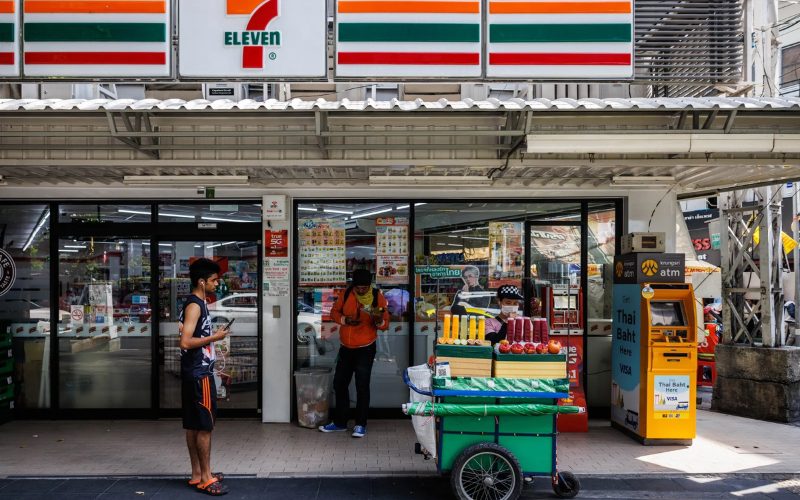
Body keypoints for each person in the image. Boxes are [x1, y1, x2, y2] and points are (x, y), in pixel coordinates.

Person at [179, 258, 230, 496]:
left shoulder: (198, 303)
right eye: (213, 280)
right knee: (205, 427)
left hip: (193, 372)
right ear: (201, 281)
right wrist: (215, 338)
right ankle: (206, 478)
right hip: (199, 373)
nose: (216, 284)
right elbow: (186, 341)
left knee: (193, 425)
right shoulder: (195, 306)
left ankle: (198, 474)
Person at [319, 269, 390, 438]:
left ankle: (360, 424)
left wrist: (378, 320)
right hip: (346, 347)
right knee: (339, 383)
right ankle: (340, 423)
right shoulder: (346, 294)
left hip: (365, 347)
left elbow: (385, 323)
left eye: (364, 287)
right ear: (353, 285)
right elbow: (334, 313)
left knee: (362, 385)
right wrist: (345, 320)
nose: (361, 290)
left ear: (369, 285)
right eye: (358, 287)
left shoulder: (376, 296)